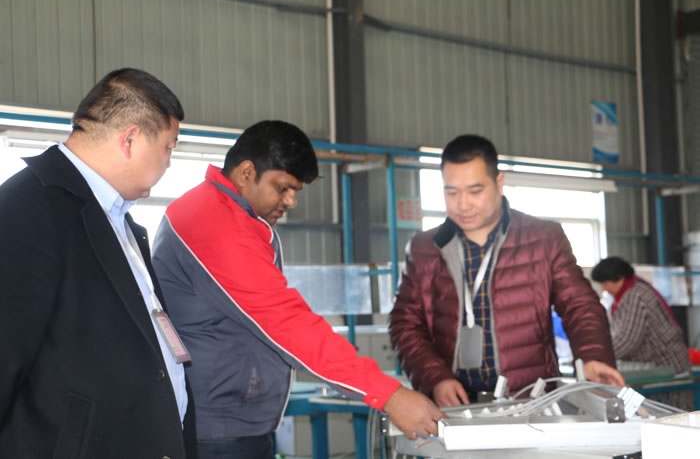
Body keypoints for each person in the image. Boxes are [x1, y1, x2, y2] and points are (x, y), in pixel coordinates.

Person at [151, 120, 443, 459]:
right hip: (217, 431)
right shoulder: (215, 223)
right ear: (246, 172)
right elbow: (287, 323)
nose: (291, 201)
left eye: (296, 191)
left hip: (229, 421)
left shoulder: (228, 215)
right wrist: (388, 395)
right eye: (283, 187)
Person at [0, 68, 196, 458]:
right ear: (130, 139)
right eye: (169, 148)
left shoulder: (118, 219)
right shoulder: (27, 210)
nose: (168, 163)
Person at [389, 134, 624, 407]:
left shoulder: (543, 239)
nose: (463, 204)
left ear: (499, 183)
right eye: (451, 192)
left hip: (530, 403)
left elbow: (579, 305)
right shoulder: (424, 249)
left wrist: (593, 357)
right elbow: (404, 324)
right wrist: (435, 378)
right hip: (454, 407)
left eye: (475, 191)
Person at [592, 257, 693, 410]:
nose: (604, 289)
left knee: (674, 414)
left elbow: (627, 341)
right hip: (655, 368)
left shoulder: (636, 296)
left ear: (620, 277)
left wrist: (597, 358)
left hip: (669, 369)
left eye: (605, 283)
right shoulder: (625, 296)